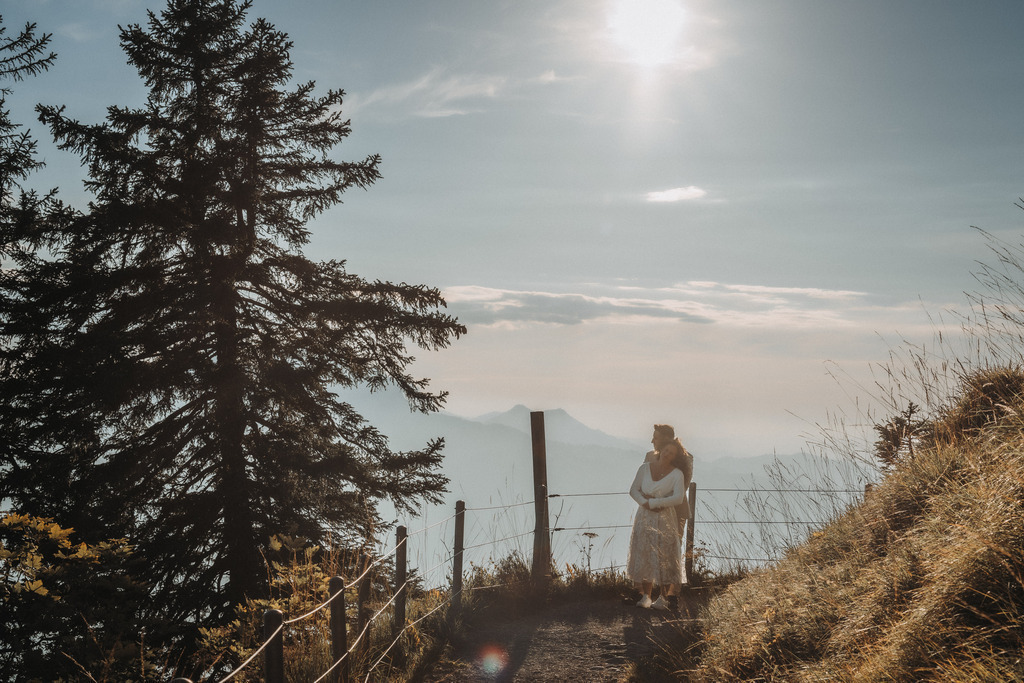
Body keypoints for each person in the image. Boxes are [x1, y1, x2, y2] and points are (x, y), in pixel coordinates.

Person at [627, 424, 690, 610]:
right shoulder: (647, 461)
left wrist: (656, 502)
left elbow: (681, 488)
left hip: (670, 512)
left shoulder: (682, 464)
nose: (652, 440)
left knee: (668, 553)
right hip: (645, 513)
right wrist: (645, 503)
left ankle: (669, 597)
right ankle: (644, 595)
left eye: (656, 437)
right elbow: (635, 488)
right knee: (645, 552)